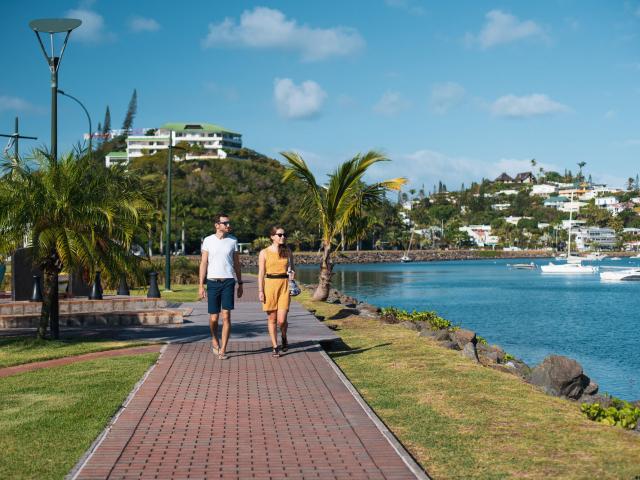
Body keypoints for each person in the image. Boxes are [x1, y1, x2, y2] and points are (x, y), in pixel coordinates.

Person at [199, 213, 243, 360]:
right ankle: (214, 338)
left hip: (229, 281)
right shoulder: (208, 240)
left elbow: (236, 264)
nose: (228, 225)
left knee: (226, 316)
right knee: (213, 318)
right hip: (212, 282)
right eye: (225, 223)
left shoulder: (233, 241)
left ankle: (223, 349)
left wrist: (240, 283)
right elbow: (203, 263)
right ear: (217, 225)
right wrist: (201, 285)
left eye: (229, 223)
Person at [258, 226, 295, 357]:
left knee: (281, 320)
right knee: (272, 318)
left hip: (284, 285)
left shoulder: (288, 251)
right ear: (272, 237)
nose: (282, 237)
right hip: (269, 285)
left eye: (284, 235)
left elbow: (292, 267)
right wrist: (260, 290)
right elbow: (261, 273)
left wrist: (291, 274)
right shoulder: (264, 252)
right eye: (279, 235)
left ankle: (283, 335)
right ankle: (275, 346)